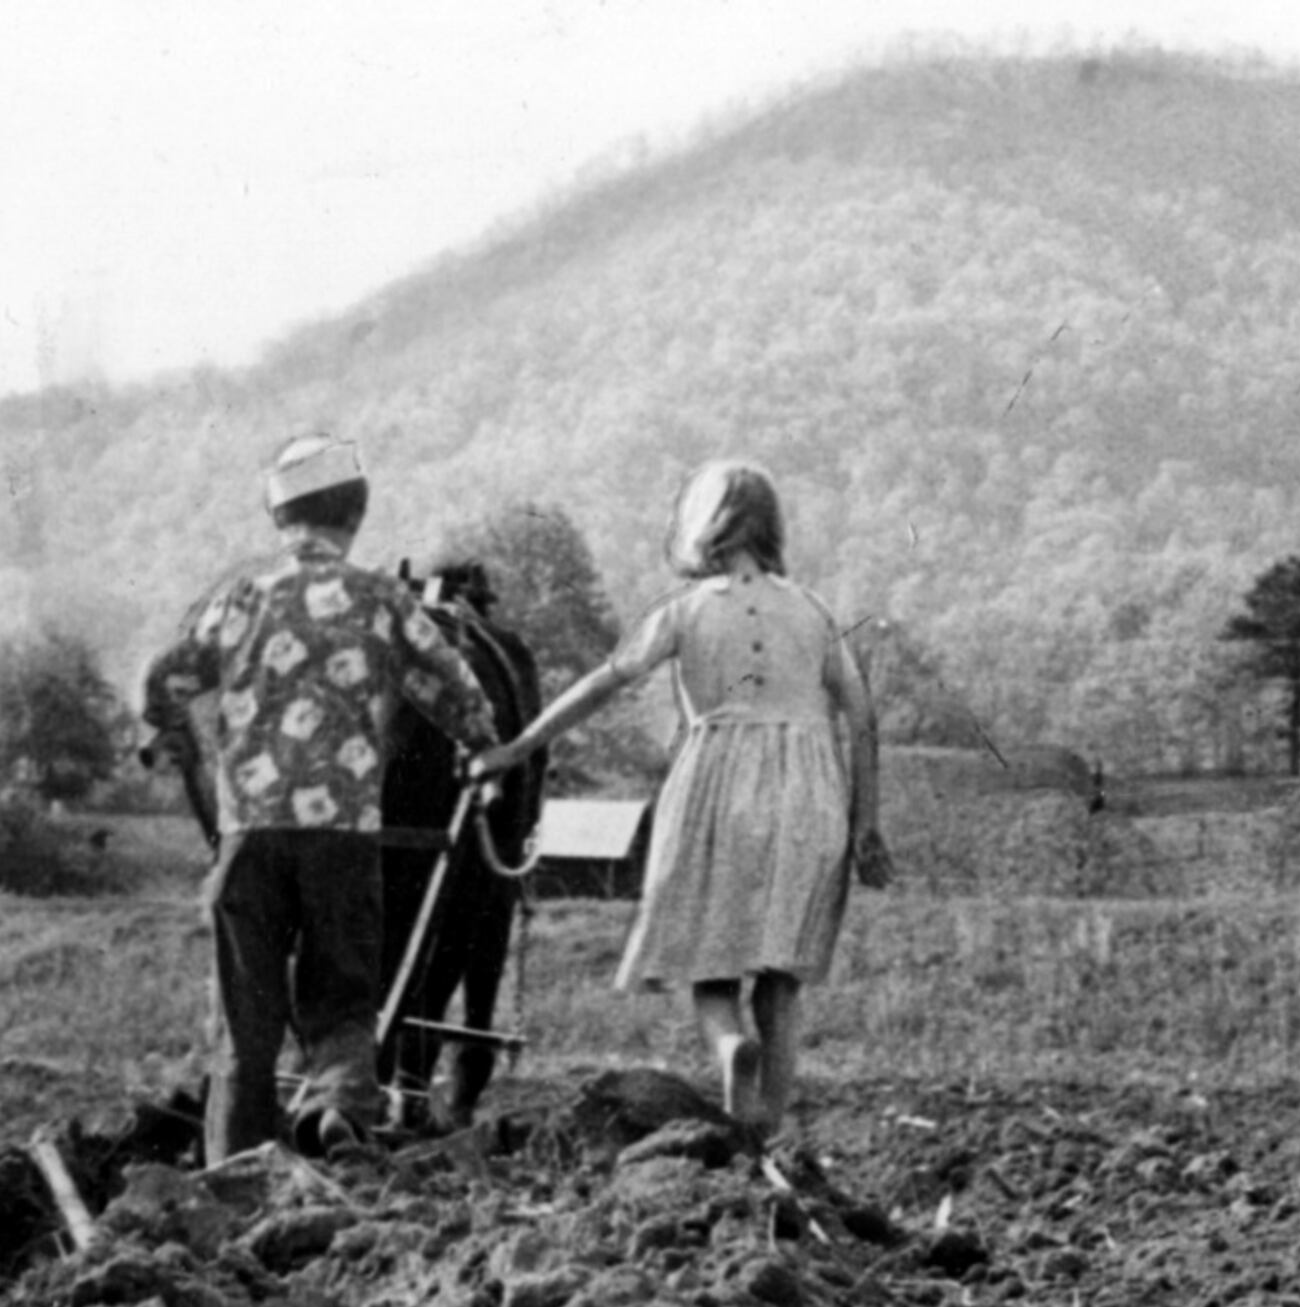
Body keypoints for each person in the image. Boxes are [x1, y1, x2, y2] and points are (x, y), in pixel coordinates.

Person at [468, 460, 887, 1142]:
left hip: (716, 789)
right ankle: (764, 1137)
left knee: (708, 963)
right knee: (781, 983)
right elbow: (863, 721)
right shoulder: (814, 612)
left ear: (703, 525)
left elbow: (606, 681)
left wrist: (518, 746)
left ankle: (728, 1049)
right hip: (811, 796)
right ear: (771, 526)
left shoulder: (686, 610)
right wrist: (867, 823)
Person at [146, 434, 500, 1162]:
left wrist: (169, 723)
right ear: (357, 513)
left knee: (244, 1018)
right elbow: (455, 689)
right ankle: (336, 1108)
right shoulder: (381, 600)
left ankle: (235, 1166)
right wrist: (482, 746)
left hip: (250, 837)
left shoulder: (240, 598)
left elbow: (164, 683)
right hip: (341, 835)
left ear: (279, 518)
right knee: (342, 995)